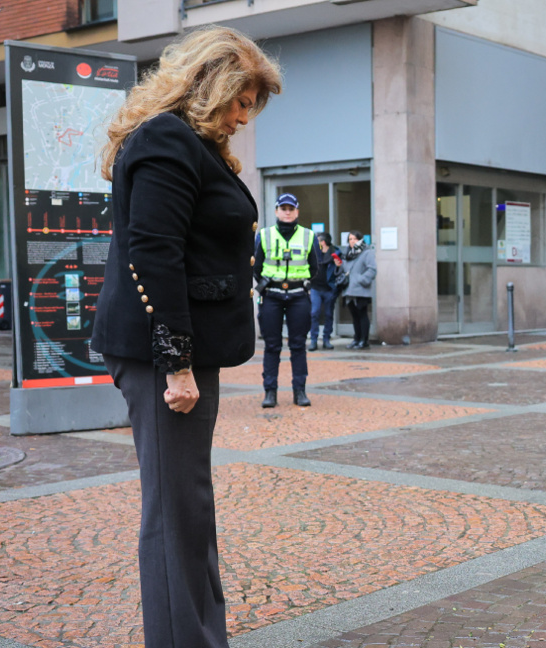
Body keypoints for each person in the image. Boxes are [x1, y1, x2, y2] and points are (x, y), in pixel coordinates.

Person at [90, 27, 280, 648]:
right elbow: (154, 255)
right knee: (176, 512)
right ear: (212, 86)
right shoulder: (167, 139)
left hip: (183, 350)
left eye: (252, 104)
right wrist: (176, 363)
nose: (243, 115)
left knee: (187, 507)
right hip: (163, 355)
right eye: (241, 100)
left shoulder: (189, 143)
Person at [255, 193, 322, 408]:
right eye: (283, 208)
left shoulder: (308, 236)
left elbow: (315, 267)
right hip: (272, 295)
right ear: (276, 211)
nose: (287, 212)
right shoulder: (264, 235)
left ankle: (299, 391)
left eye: (291, 208)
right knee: (272, 346)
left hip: (298, 296)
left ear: (297, 212)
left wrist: (297, 281)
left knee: (298, 345)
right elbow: (255, 266)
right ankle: (270, 391)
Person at [341, 230, 375, 350]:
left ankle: (364, 340)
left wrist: (361, 279)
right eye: (350, 239)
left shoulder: (367, 252)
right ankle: (356, 338)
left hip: (361, 289)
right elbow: (344, 270)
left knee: (362, 315)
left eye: (355, 239)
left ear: (360, 240)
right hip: (349, 290)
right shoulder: (347, 253)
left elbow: (372, 270)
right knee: (354, 316)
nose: (352, 241)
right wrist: (339, 265)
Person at [309, 231, 342, 351]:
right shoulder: (313, 254)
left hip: (329, 289)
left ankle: (326, 339)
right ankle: (313, 340)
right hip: (315, 288)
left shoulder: (335, 253)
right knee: (314, 313)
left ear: (323, 242)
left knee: (328, 314)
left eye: (317, 241)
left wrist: (338, 266)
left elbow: (340, 272)